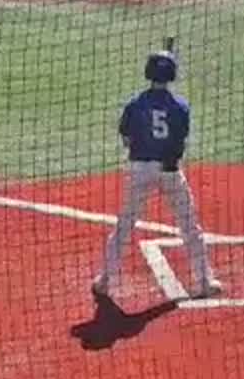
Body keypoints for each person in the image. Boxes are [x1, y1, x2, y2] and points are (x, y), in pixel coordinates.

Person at [93, 50, 221, 300]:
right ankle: (204, 281)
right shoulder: (180, 107)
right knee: (189, 225)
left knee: (125, 225)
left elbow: (127, 139)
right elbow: (180, 141)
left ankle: (106, 279)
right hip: (170, 171)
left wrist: (144, 148)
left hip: (140, 170)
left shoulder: (134, 104)